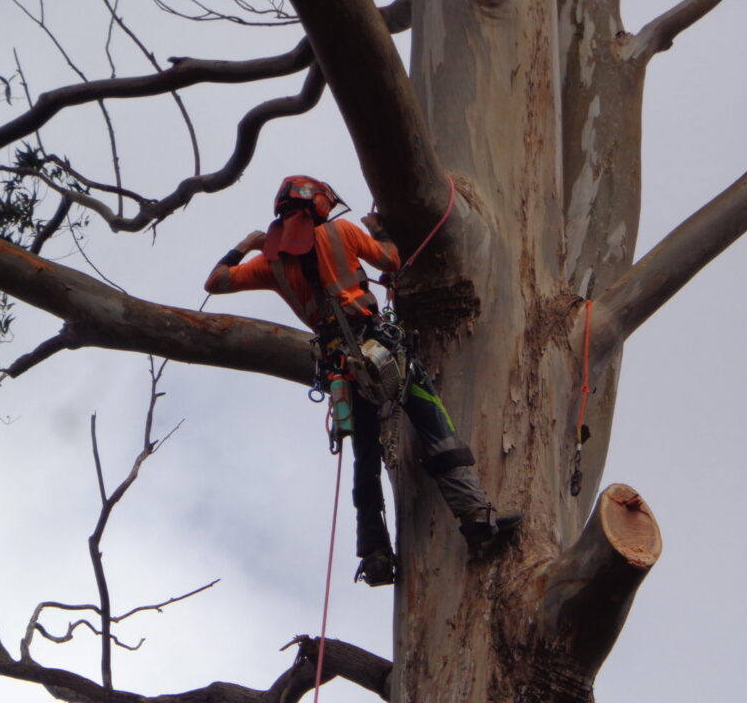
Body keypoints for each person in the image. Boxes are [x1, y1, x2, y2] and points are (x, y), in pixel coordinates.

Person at [204, 175, 521, 586]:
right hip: (381, 348)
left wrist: (246, 245)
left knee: (366, 458)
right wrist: (381, 233)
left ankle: (374, 555)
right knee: (434, 423)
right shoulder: (343, 232)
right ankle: (477, 519)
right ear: (318, 204)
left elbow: (215, 282)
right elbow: (390, 260)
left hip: (340, 367)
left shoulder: (271, 262)